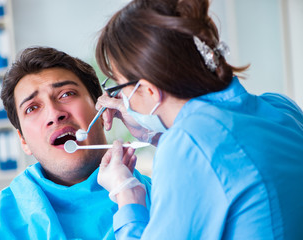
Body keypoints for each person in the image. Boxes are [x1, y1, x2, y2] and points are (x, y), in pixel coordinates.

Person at [94, 0, 303, 239]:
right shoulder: (281, 107)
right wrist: (157, 136)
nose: (119, 96)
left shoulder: (188, 144)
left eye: (119, 86)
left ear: (150, 91)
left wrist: (126, 196)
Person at [0, 47, 152, 239]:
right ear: (23, 141)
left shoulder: (166, 198)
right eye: (32, 108)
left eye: (66, 94)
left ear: (102, 111)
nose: (54, 114)